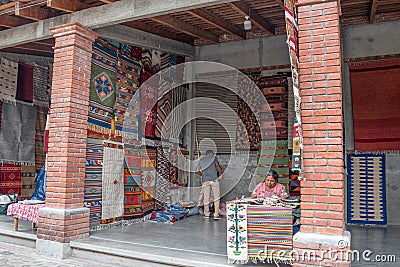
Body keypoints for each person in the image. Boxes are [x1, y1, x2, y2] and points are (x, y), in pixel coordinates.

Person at [196, 150, 223, 220]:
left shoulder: (201, 160)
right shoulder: (214, 158)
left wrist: (202, 175)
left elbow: (197, 170)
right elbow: (217, 166)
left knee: (206, 198)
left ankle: (206, 214)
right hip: (214, 180)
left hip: (205, 181)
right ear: (212, 154)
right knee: (216, 197)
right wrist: (221, 174)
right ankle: (216, 214)